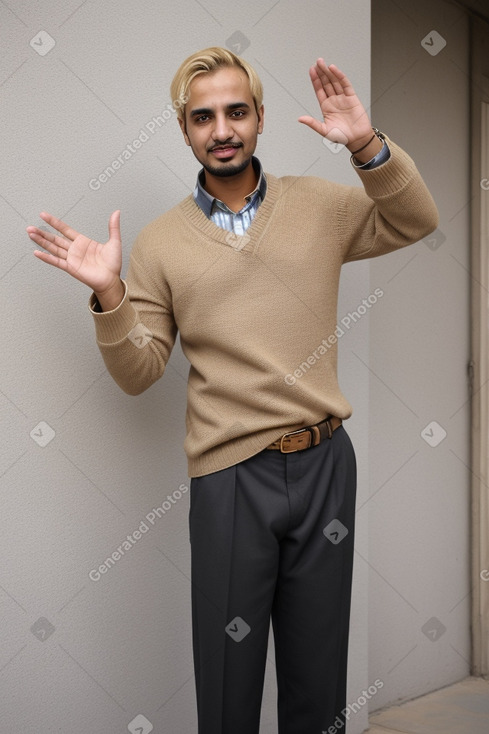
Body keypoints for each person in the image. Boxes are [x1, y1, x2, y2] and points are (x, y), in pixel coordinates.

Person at [26, 47, 438, 734]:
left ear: (259, 119)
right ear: (184, 129)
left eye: (235, 112)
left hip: (324, 464)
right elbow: (140, 372)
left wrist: (364, 144)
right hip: (229, 480)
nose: (221, 129)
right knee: (228, 676)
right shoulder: (158, 246)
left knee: (318, 676)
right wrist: (109, 294)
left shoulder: (321, 207)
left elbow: (414, 220)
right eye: (203, 117)